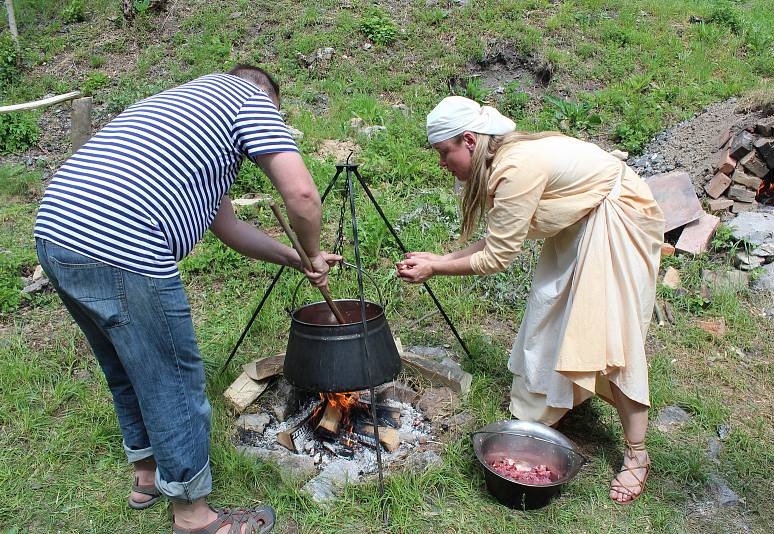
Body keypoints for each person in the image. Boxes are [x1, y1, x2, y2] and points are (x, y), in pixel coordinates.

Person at [34, 65, 340, 533]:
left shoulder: (180, 113)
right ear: (268, 98)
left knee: (125, 364)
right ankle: (195, 518)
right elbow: (301, 194)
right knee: (174, 379)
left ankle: (148, 475)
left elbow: (229, 228)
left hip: (57, 233)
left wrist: (296, 260)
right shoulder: (252, 99)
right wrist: (315, 251)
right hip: (121, 242)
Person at [396, 96, 665, 504]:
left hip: (617, 217)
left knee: (610, 335)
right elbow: (500, 235)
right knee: (554, 312)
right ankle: (558, 402)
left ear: (468, 140)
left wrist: (436, 268)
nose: (441, 164)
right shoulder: (500, 159)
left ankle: (637, 455)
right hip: (584, 218)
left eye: (443, 153)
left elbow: (497, 258)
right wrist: (439, 258)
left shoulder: (515, 167)